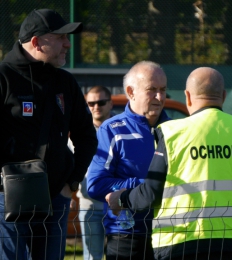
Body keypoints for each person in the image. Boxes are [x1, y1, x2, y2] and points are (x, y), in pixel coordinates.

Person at [105, 67, 232, 260]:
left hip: (182, 242)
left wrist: (121, 198)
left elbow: (151, 192)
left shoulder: (172, 133)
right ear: (224, 96)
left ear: (187, 96)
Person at [0, 8, 98, 260]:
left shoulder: (66, 82)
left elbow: (86, 136)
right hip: (7, 201)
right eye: (60, 37)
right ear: (36, 42)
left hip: (56, 198)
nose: (68, 44)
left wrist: (71, 183)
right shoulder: (4, 78)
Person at [87, 61, 171, 260]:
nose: (159, 97)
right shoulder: (112, 129)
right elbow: (96, 185)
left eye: (163, 90)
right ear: (131, 92)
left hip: (172, 232)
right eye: (152, 90)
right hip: (127, 235)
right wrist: (144, 188)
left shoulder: (177, 129)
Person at [78, 86, 114, 260]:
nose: (96, 107)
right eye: (91, 103)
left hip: (118, 204)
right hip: (89, 205)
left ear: (110, 104)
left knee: (122, 254)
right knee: (91, 257)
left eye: (101, 102)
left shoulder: (120, 129)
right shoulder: (79, 133)